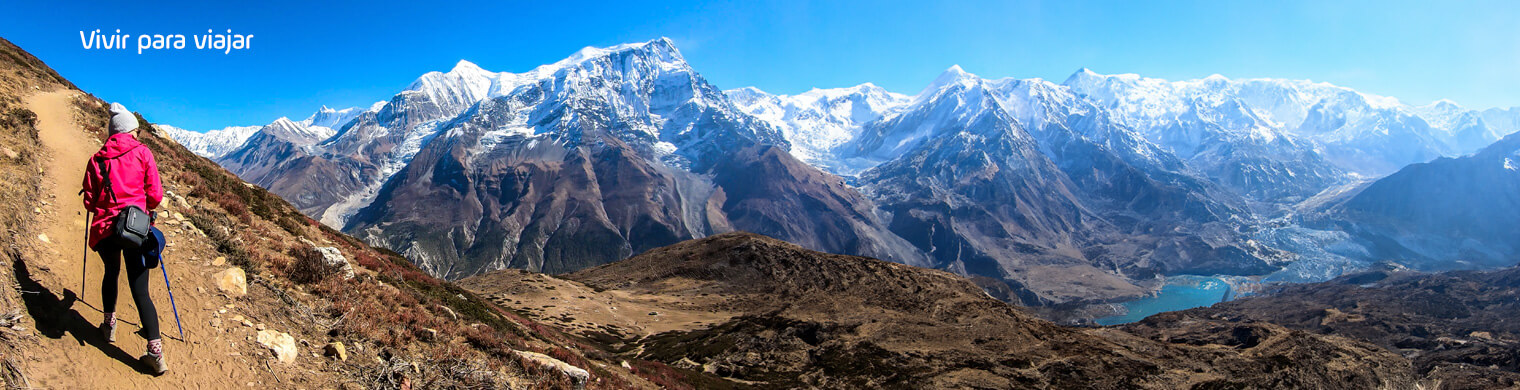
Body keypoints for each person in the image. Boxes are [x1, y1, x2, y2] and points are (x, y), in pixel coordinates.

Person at [81, 103, 167, 375]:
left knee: (111, 273)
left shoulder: (97, 159)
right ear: (130, 130)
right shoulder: (143, 153)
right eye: (137, 131)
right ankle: (155, 353)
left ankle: (109, 326)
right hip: (135, 228)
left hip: (107, 229)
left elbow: (89, 201)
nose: (139, 135)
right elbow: (155, 196)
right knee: (140, 289)